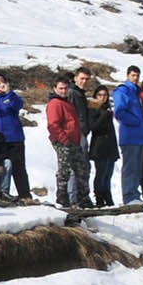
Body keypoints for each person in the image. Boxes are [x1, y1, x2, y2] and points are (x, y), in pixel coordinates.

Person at [47, 77, 90, 208]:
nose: (63, 91)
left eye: (65, 88)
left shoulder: (67, 103)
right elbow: (53, 124)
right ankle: (62, 199)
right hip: (63, 141)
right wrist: (64, 140)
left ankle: (83, 199)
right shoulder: (55, 103)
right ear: (55, 89)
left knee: (81, 169)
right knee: (64, 171)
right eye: (60, 88)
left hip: (74, 141)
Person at [112, 66, 143, 205]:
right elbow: (120, 112)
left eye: (138, 75)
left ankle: (134, 194)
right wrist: (136, 121)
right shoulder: (123, 90)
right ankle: (128, 196)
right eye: (133, 75)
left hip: (140, 136)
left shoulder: (137, 93)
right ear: (128, 76)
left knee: (137, 168)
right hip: (130, 135)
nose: (136, 78)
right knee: (130, 168)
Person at [87, 86, 118, 207]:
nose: (102, 97)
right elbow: (93, 127)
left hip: (110, 145)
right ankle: (99, 197)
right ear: (95, 96)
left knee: (108, 174)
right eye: (99, 95)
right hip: (99, 146)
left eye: (104, 95)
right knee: (101, 173)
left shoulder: (107, 109)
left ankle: (107, 195)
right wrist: (103, 115)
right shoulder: (93, 108)